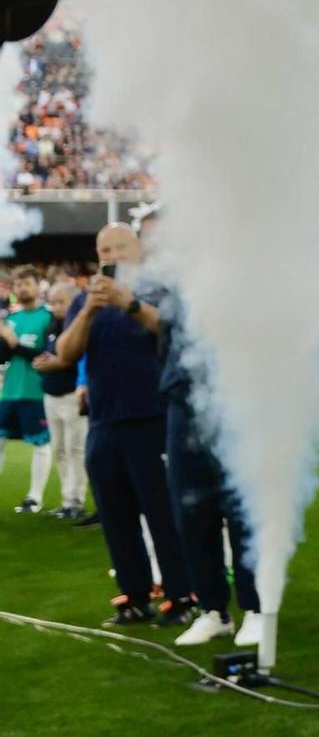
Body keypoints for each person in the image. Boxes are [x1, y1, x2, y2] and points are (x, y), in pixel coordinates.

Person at [50, 224, 194, 627]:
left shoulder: (160, 290)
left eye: (119, 248)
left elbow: (171, 331)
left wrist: (128, 303)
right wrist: (92, 310)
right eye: (104, 250)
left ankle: (183, 595)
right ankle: (134, 595)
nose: (111, 256)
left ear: (140, 251)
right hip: (104, 421)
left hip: (152, 418)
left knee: (162, 513)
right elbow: (65, 352)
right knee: (116, 516)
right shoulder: (85, 301)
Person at [140, 254, 264, 649]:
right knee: (191, 512)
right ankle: (213, 609)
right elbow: (166, 341)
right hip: (182, 404)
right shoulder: (178, 288)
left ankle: (256, 608)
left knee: (241, 512)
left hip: (234, 403)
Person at [32, 278, 89, 520]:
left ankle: (76, 500)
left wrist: (57, 363)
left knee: (75, 449)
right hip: (51, 394)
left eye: (61, 302)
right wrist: (42, 363)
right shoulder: (53, 326)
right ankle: (67, 499)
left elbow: (76, 359)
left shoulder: (80, 326)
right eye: (53, 302)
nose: (56, 307)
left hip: (70, 395)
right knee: (60, 449)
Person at [0, 268, 56, 513]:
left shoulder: (48, 317)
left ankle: (34, 497)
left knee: (41, 444)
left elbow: (47, 356)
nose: (22, 288)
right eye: (19, 284)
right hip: (9, 391)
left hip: (36, 392)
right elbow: (4, 357)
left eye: (27, 283)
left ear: (37, 287)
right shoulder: (12, 319)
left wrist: (14, 343)